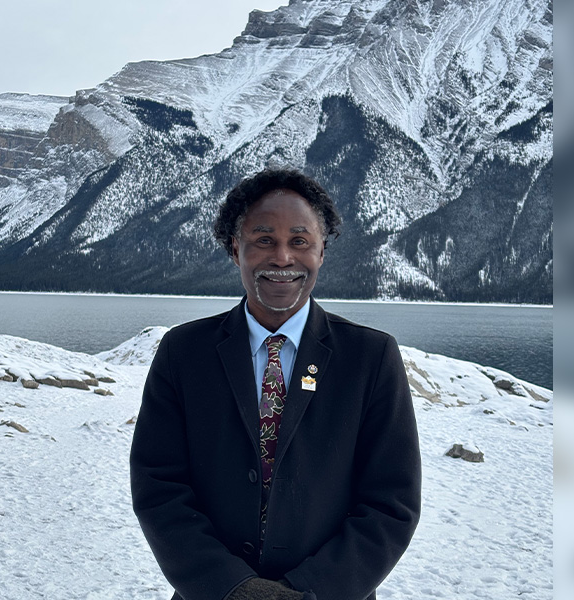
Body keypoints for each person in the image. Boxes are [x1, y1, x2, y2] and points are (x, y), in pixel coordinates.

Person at [130, 168, 421, 600]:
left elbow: (391, 502)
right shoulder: (183, 352)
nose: (282, 257)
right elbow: (159, 487)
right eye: (264, 239)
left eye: (299, 241)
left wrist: (309, 592)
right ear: (235, 249)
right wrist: (233, 588)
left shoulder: (370, 357)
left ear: (322, 251)